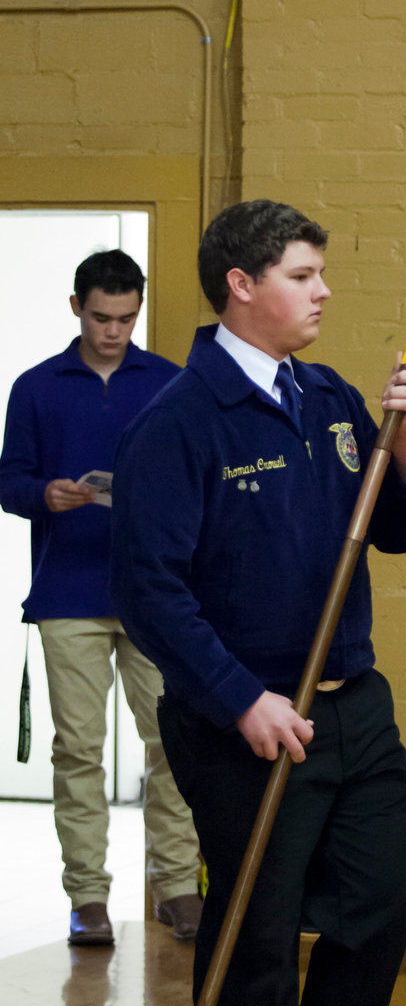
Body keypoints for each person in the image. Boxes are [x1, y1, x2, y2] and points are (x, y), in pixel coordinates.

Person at [109, 199, 406, 1006]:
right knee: (259, 934)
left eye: (319, 272)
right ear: (241, 285)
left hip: (353, 709)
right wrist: (239, 701)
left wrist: (403, 445)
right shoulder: (178, 422)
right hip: (247, 726)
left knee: (380, 904)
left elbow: (398, 532)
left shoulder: (328, 398)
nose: (323, 289)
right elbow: (148, 591)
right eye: (302, 275)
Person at [0, 249, 203, 947]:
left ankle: (178, 888)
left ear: (138, 310)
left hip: (156, 597)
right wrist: (42, 495)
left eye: (125, 317)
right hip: (67, 594)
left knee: (172, 745)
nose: (113, 330)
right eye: (100, 317)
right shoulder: (34, 387)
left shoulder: (173, 384)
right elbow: (9, 481)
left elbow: (198, 483)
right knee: (78, 752)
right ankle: (86, 899)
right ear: (75, 308)